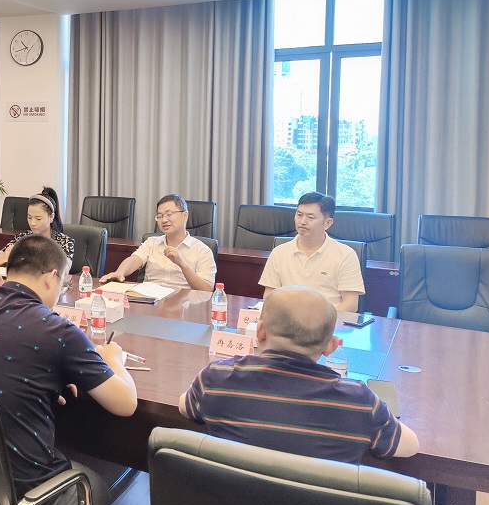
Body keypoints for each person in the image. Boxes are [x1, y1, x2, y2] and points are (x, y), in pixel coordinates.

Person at [0, 235, 137, 505]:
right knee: (98, 491)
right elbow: (126, 403)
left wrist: (53, 377)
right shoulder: (59, 331)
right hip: (22, 499)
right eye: (63, 283)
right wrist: (114, 359)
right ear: (52, 278)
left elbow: (6, 356)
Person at [178, 285, 418, 464]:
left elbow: (184, 407)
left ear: (259, 332)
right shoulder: (359, 401)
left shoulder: (216, 377)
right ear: (331, 347)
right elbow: (410, 445)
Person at [259, 191, 364, 313]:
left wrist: (317, 321)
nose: (302, 221)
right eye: (299, 215)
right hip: (287, 321)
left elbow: (350, 304)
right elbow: (269, 296)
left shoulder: (346, 255)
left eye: (310, 217)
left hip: (330, 321)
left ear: (328, 223)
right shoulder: (279, 252)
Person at [100, 194, 215, 291]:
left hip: (183, 305)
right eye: (160, 216)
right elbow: (134, 259)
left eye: (169, 214)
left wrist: (182, 264)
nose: (164, 220)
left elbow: (207, 289)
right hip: (149, 300)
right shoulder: (152, 243)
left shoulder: (202, 250)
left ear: (185, 215)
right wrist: (120, 272)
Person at [0, 187, 74, 272]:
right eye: (29, 217)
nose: (32, 223)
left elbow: (65, 270)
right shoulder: (21, 238)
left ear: (51, 217)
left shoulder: (65, 242)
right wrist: (5, 257)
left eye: (38, 219)